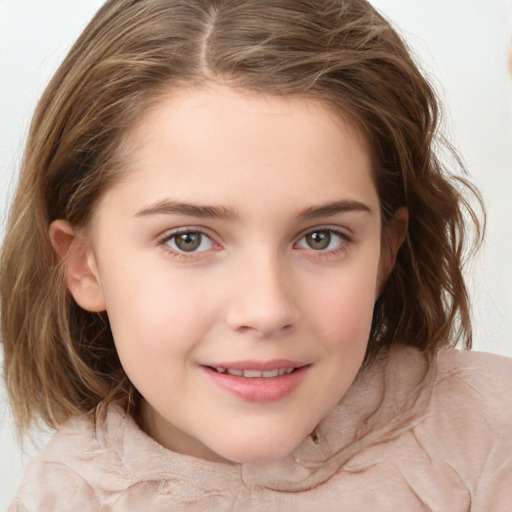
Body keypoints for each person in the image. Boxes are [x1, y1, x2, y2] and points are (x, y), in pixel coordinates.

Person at [1, 0, 511, 509]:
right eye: (188, 240)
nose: (266, 310)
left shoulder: (491, 433)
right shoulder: (63, 498)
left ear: (385, 251)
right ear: (84, 265)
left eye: (321, 238)